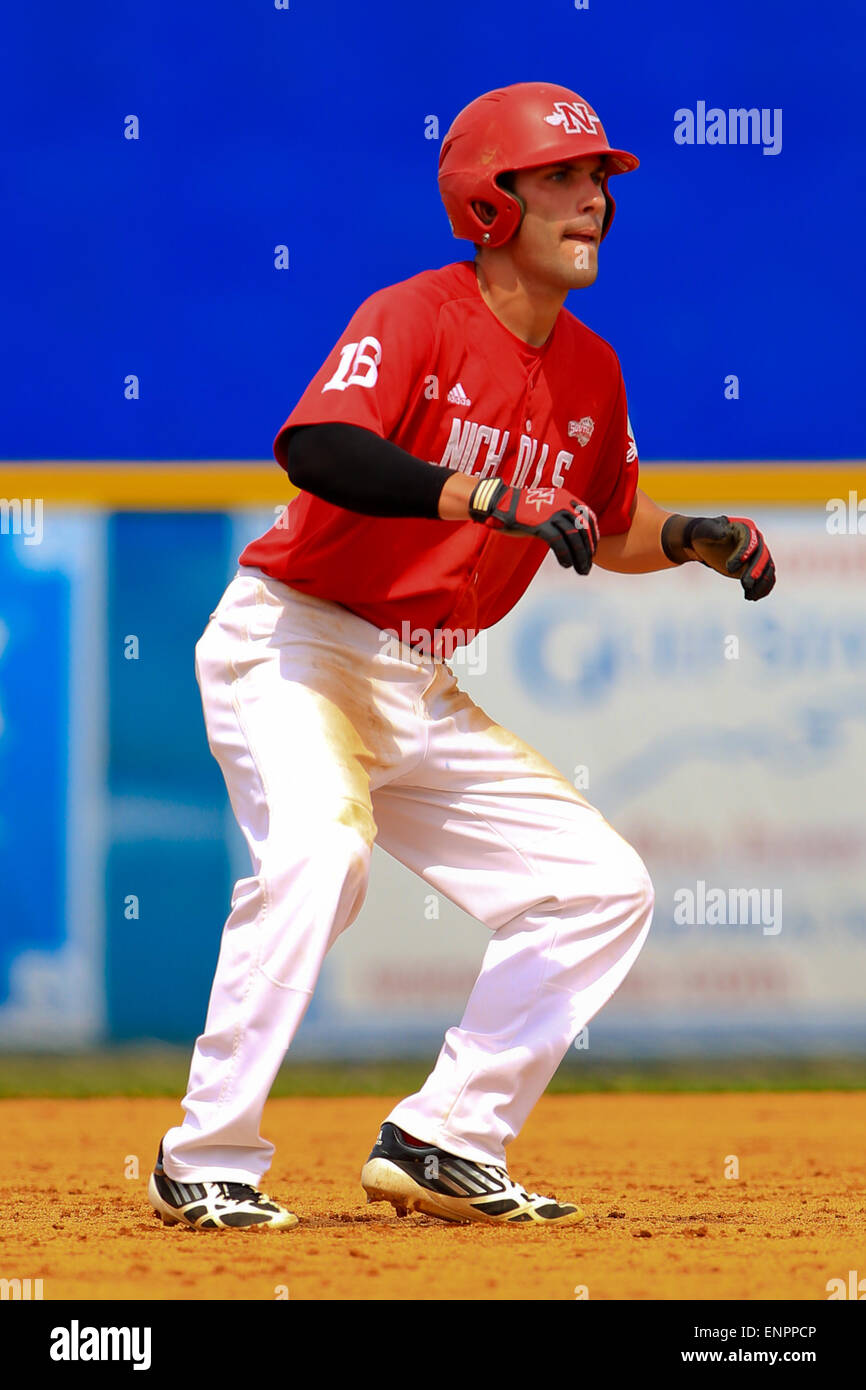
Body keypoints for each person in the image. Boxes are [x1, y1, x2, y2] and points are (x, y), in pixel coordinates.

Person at [147, 81, 775, 1232]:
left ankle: (446, 1138)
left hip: (416, 678)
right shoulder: (417, 315)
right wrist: (481, 492)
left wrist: (683, 538)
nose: (592, 200)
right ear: (490, 203)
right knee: (322, 858)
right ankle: (206, 1153)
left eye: (599, 182)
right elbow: (318, 448)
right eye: (562, 178)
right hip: (292, 638)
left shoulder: (590, 370)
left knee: (594, 888)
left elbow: (598, 522)